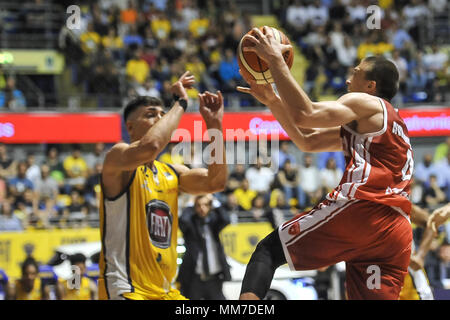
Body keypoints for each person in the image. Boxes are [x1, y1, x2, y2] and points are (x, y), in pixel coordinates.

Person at [237, 26, 415, 300]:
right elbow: (307, 140)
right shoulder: (390, 123)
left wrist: (274, 60)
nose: (347, 81)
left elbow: (305, 114)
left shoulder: (367, 103)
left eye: (355, 73)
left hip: (364, 211)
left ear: (371, 86)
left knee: (269, 251)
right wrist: (273, 100)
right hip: (396, 230)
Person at [98, 71, 227, 300]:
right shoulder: (117, 158)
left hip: (165, 292)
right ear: (130, 127)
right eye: (151, 115)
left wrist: (215, 126)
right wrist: (181, 103)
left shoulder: (171, 172)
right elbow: (151, 146)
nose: (160, 119)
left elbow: (216, 182)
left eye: (162, 114)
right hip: (127, 288)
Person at [177, 194, 231, 300]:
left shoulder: (213, 222)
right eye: (198, 205)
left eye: (205, 205)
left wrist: (214, 201)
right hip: (195, 279)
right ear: (194, 207)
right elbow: (183, 221)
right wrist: (191, 202)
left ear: (210, 207)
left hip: (214, 279)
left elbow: (226, 219)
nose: (202, 208)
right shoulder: (191, 223)